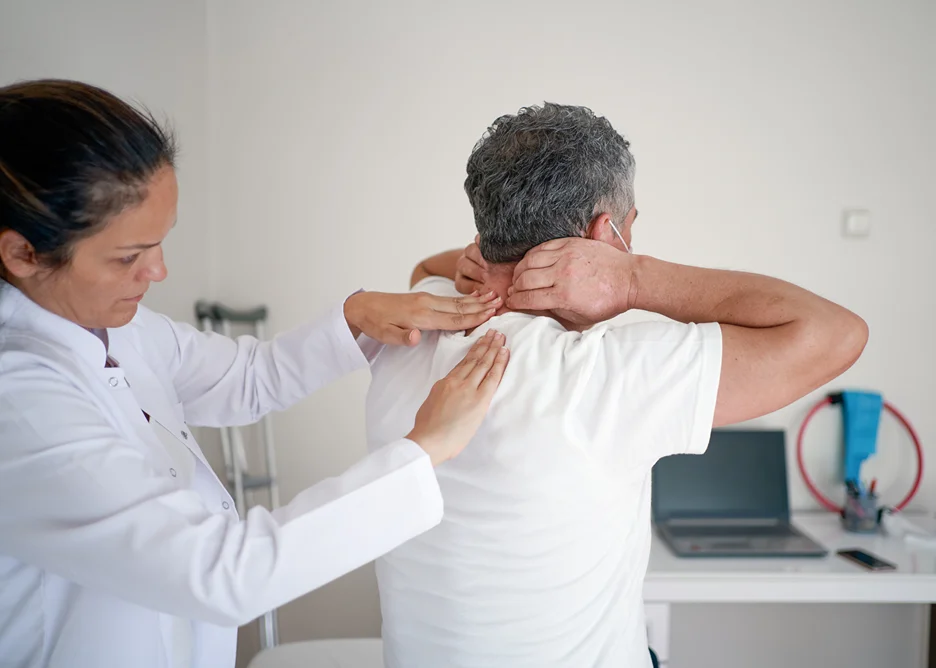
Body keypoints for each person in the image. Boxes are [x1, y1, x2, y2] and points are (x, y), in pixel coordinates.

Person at [0, 79, 511, 668]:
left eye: (161, 243)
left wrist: (357, 316)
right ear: (22, 255)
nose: (159, 271)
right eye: (128, 257)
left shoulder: (116, 327)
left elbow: (243, 379)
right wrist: (425, 448)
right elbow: (220, 571)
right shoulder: (21, 400)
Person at [365, 102, 868, 667]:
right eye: (629, 229)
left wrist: (477, 265)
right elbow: (836, 333)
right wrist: (633, 278)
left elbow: (424, 269)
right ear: (603, 234)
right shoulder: (600, 377)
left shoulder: (410, 324)